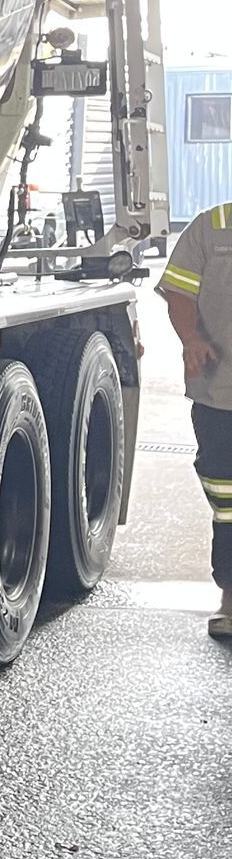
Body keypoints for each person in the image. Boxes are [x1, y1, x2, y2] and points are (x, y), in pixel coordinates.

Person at [160, 200, 232, 639]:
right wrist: (191, 339)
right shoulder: (212, 227)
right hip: (220, 394)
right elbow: (179, 290)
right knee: (227, 499)